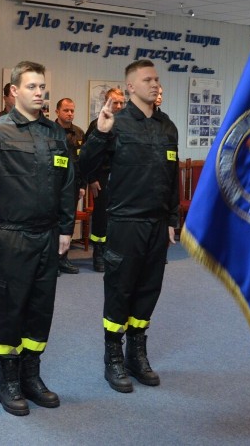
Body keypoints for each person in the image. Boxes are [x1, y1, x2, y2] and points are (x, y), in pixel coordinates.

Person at [0, 61, 76, 416]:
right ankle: (7, 380)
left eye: (42, 87)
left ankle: (31, 376)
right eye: (32, 87)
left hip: (47, 235)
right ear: (14, 91)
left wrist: (66, 228)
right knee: (10, 309)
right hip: (12, 235)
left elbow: (68, 183)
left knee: (41, 309)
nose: (39, 92)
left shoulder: (55, 133)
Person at [79, 60, 179, 394]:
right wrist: (99, 134)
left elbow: (171, 178)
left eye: (156, 79)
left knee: (149, 289)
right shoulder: (114, 124)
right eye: (147, 79)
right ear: (130, 87)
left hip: (156, 224)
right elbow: (84, 168)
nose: (154, 84)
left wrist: (171, 220)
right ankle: (113, 356)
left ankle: (137, 352)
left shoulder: (167, 127)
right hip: (125, 222)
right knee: (120, 289)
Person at [84, 88, 125, 272]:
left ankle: (114, 252)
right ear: (106, 102)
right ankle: (98, 253)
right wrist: (91, 178)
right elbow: (88, 155)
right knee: (102, 216)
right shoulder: (97, 124)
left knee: (120, 217)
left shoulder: (127, 125)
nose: (118, 106)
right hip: (102, 177)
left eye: (121, 103)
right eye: (114, 102)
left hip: (123, 178)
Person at [54, 97, 85, 275]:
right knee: (53, 221)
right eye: (66, 110)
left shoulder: (79, 134)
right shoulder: (49, 131)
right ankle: (52, 260)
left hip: (73, 186)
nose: (70, 113)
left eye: (72, 110)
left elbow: (83, 162)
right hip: (53, 185)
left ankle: (63, 258)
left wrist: (82, 185)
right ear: (58, 111)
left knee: (68, 221)